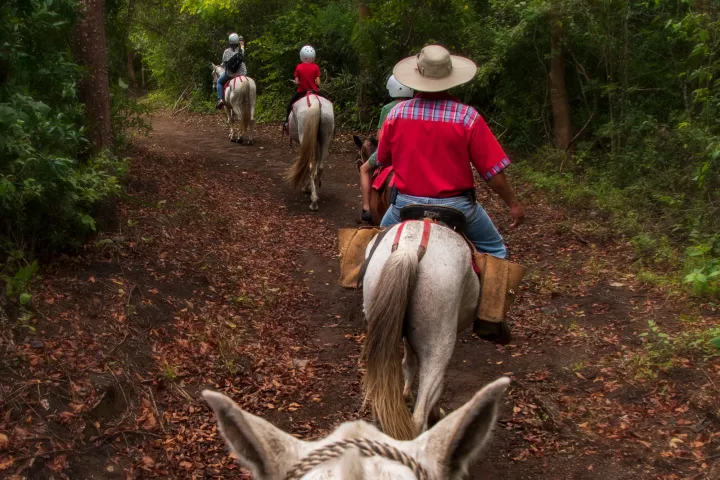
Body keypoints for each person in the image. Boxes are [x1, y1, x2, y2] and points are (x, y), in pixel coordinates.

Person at [376, 44, 526, 341]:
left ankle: (369, 296)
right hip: (457, 207)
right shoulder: (468, 117)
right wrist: (513, 203)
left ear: (417, 76)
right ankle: (490, 318)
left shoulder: (398, 113)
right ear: (451, 77)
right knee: (496, 251)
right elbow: (493, 173)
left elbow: (383, 159)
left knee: (375, 247)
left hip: (405, 204)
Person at [359, 76, 414, 223]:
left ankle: (366, 208)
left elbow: (380, 136)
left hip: (391, 151)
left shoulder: (388, 108)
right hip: (412, 152)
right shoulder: (415, 106)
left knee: (364, 169)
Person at [284, 45, 321, 133]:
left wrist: (300, 82)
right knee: (327, 100)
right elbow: (318, 83)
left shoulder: (299, 67)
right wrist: (314, 82)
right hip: (314, 91)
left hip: (301, 92)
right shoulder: (316, 67)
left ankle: (286, 123)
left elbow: (296, 82)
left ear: (302, 55)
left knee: (290, 105)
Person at [216, 33, 246, 109]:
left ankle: (220, 99)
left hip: (230, 74)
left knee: (219, 82)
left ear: (229, 42)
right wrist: (242, 43)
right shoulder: (241, 50)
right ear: (237, 42)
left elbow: (224, 63)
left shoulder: (226, 51)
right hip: (242, 73)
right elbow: (242, 48)